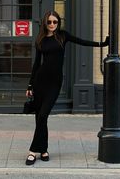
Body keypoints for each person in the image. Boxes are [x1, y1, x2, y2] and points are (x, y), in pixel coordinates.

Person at [25, 10, 109, 166]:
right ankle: (43, 150)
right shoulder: (40, 39)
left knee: (43, 115)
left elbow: (82, 41)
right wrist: (30, 84)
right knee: (40, 118)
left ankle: (32, 151)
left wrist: (102, 44)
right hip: (40, 82)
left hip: (55, 83)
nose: (52, 25)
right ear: (45, 23)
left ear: (58, 23)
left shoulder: (63, 36)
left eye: (55, 22)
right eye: (49, 22)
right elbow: (37, 64)